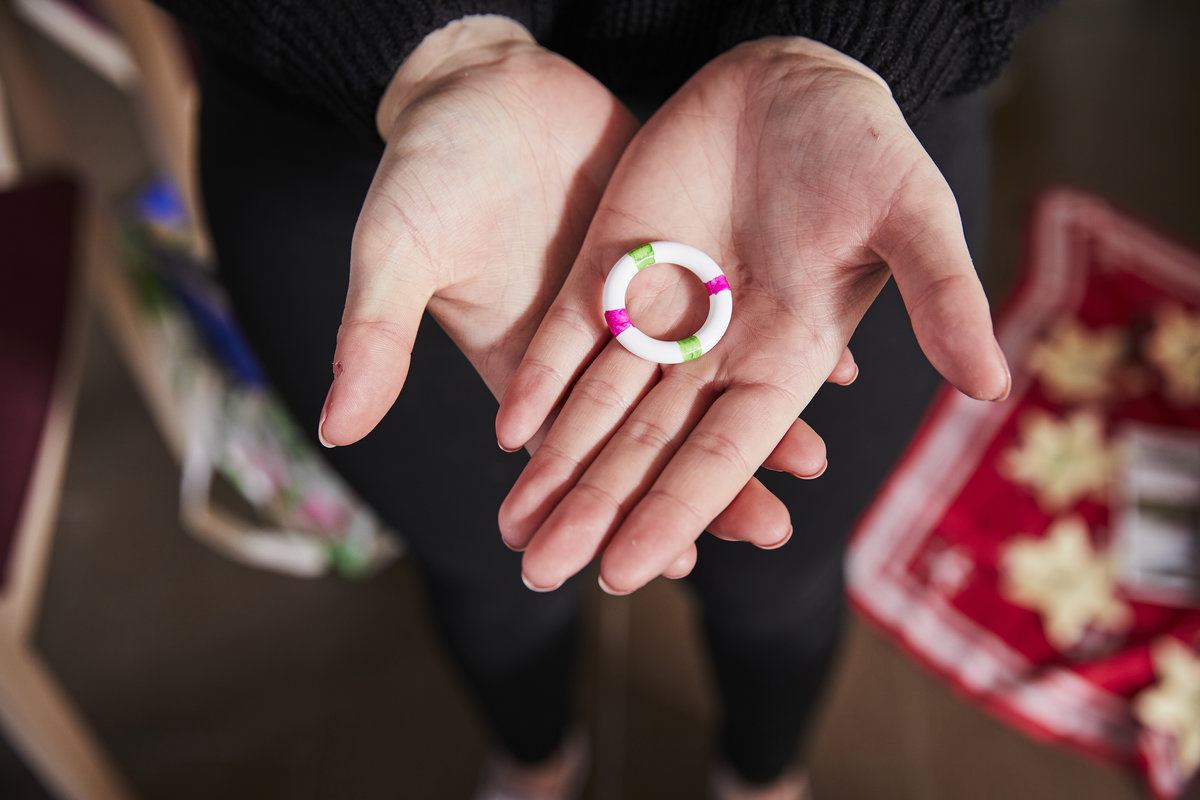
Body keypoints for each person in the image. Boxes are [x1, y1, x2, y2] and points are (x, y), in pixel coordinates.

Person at [152, 3, 1049, 797]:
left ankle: (764, 775)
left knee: (780, 576)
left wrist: (852, 38)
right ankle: (533, 761)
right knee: (490, 571)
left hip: (837, 146)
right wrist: (432, 50)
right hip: (366, 118)